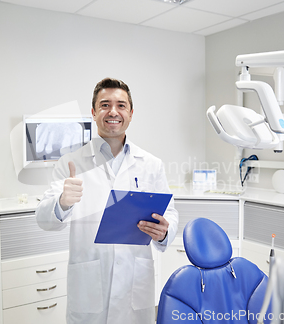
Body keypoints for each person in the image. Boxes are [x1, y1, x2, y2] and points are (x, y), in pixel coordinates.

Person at [36, 77, 178, 324]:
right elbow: (44, 220)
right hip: (90, 284)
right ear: (93, 112)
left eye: (121, 105)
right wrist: (62, 202)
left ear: (131, 113)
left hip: (135, 284)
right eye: (105, 105)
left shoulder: (152, 164)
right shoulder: (71, 163)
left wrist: (165, 231)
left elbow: (171, 213)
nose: (113, 112)